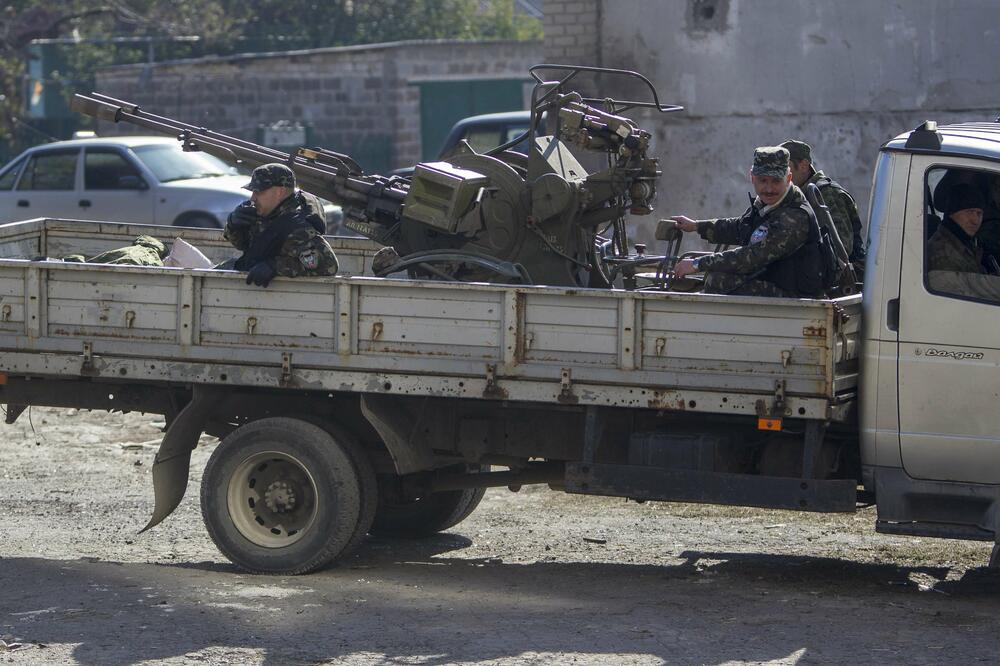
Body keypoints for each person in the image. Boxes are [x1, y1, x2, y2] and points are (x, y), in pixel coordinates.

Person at [670, 146, 825, 298]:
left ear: (789, 178)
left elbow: (753, 256)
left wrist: (698, 264)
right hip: (776, 280)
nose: (769, 188)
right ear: (752, 177)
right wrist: (696, 226)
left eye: (776, 181)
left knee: (719, 281)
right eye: (763, 180)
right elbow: (741, 227)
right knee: (717, 275)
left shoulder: (794, 215)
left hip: (797, 295)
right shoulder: (769, 204)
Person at [222, 163, 339, 287]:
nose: (253, 198)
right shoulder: (266, 212)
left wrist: (275, 267)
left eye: (258, 192)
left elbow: (328, 265)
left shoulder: (296, 226)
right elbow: (244, 245)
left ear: (280, 192)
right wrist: (233, 224)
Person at [780, 139, 866, 276]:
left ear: (803, 166)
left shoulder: (826, 194)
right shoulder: (797, 195)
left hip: (845, 282)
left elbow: (841, 249)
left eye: (784, 168)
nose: (780, 175)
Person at [927, 183, 986, 274]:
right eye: (969, 212)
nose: (975, 221)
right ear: (952, 213)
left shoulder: (963, 242)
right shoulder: (944, 255)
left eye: (979, 213)